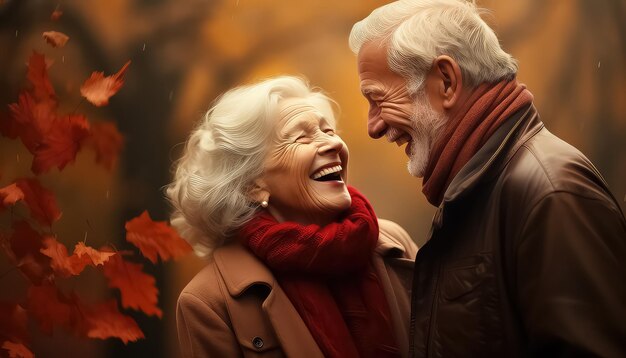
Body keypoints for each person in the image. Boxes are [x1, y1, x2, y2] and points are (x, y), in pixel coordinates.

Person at [349, 0, 626, 357]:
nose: (373, 127)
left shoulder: (552, 193)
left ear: (446, 82)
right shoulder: (482, 188)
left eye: (378, 99)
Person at [167, 76, 417, 358]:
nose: (332, 144)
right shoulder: (209, 302)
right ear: (252, 183)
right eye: (301, 137)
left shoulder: (395, 242)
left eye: (329, 130)